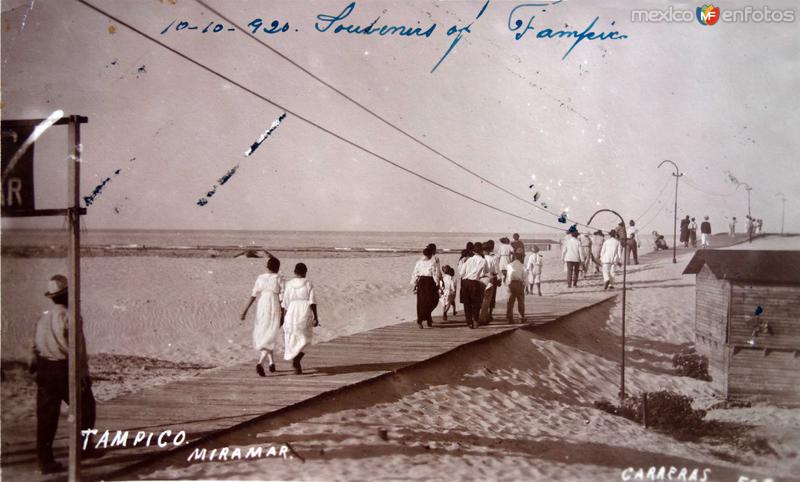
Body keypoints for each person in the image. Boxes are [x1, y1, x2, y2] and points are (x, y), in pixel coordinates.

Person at [30, 275, 98, 474]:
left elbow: (34, 345)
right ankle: (83, 448)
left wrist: (35, 365)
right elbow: (78, 350)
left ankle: (45, 460)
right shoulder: (71, 316)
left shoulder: (43, 316)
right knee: (86, 408)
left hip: (45, 369)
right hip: (65, 369)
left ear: (51, 297)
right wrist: (84, 375)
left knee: (46, 418)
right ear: (68, 294)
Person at [241, 256, 283, 376]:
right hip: (273, 304)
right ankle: (260, 363)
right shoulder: (279, 278)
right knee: (271, 333)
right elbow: (282, 296)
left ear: (267, 267)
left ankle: (271, 362)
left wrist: (245, 310)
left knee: (266, 332)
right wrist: (284, 310)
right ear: (278, 268)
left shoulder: (260, 278)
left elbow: (253, 295)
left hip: (262, 305)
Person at [282, 263, 319, 374]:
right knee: (306, 338)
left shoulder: (288, 284)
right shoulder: (308, 283)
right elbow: (312, 302)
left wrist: (285, 316)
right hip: (304, 310)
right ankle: (297, 359)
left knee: (293, 336)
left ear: (294, 272)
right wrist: (316, 317)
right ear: (305, 272)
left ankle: (295, 359)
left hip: (292, 311)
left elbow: (285, 302)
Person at [459, 242, 488, 328]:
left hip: (465, 282)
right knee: (476, 303)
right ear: (481, 251)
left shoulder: (468, 260)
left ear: (474, 251)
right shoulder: (483, 260)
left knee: (466, 303)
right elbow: (485, 272)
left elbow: (461, 273)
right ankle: (475, 320)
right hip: (474, 282)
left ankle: (469, 322)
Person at [411, 245, 440, 328]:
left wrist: (414, 284)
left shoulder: (419, 262)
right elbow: (435, 274)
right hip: (429, 282)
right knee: (431, 300)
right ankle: (426, 319)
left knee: (421, 302)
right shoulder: (432, 263)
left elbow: (415, 274)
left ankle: (422, 319)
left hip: (421, 282)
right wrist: (437, 283)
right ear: (430, 254)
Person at [479, 240, 499, 324]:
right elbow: (496, 271)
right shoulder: (492, 258)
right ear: (489, 250)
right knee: (487, 300)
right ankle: (483, 318)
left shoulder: (479, 259)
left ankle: (481, 317)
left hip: (479, 279)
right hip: (489, 279)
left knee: (481, 299)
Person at [505, 252, 526, 323]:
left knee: (510, 302)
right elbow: (525, 277)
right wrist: (525, 285)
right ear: (521, 258)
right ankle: (521, 317)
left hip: (511, 283)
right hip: (519, 284)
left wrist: (507, 284)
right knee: (521, 301)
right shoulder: (522, 266)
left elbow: (508, 276)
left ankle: (510, 318)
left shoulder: (509, 265)